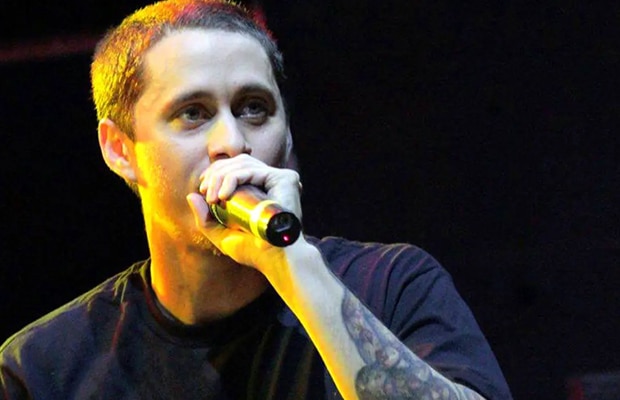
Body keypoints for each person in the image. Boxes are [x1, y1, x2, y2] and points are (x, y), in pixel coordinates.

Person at [0, 1, 512, 399]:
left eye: (253, 108)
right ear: (120, 149)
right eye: (193, 113)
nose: (232, 142)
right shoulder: (46, 366)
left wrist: (295, 266)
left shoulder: (394, 287)